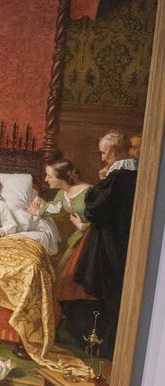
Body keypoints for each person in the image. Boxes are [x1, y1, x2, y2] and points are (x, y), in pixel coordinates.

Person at [74, 132, 138, 356]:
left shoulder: (118, 176)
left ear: (112, 151)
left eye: (103, 153)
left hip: (111, 243)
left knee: (109, 293)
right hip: (122, 239)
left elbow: (94, 209)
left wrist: (100, 182)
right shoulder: (133, 172)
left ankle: (108, 347)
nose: (102, 158)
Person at [34, 159, 92, 302]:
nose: (46, 179)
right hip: (80, 237)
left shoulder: (89, 192)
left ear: (61, 178)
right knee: (63, 269)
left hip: (95, 237)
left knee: (78, 273)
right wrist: (38, 212)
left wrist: (82, 226)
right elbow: (56, 208)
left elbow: (102, 217)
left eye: (50, 176)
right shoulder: (63, 193)